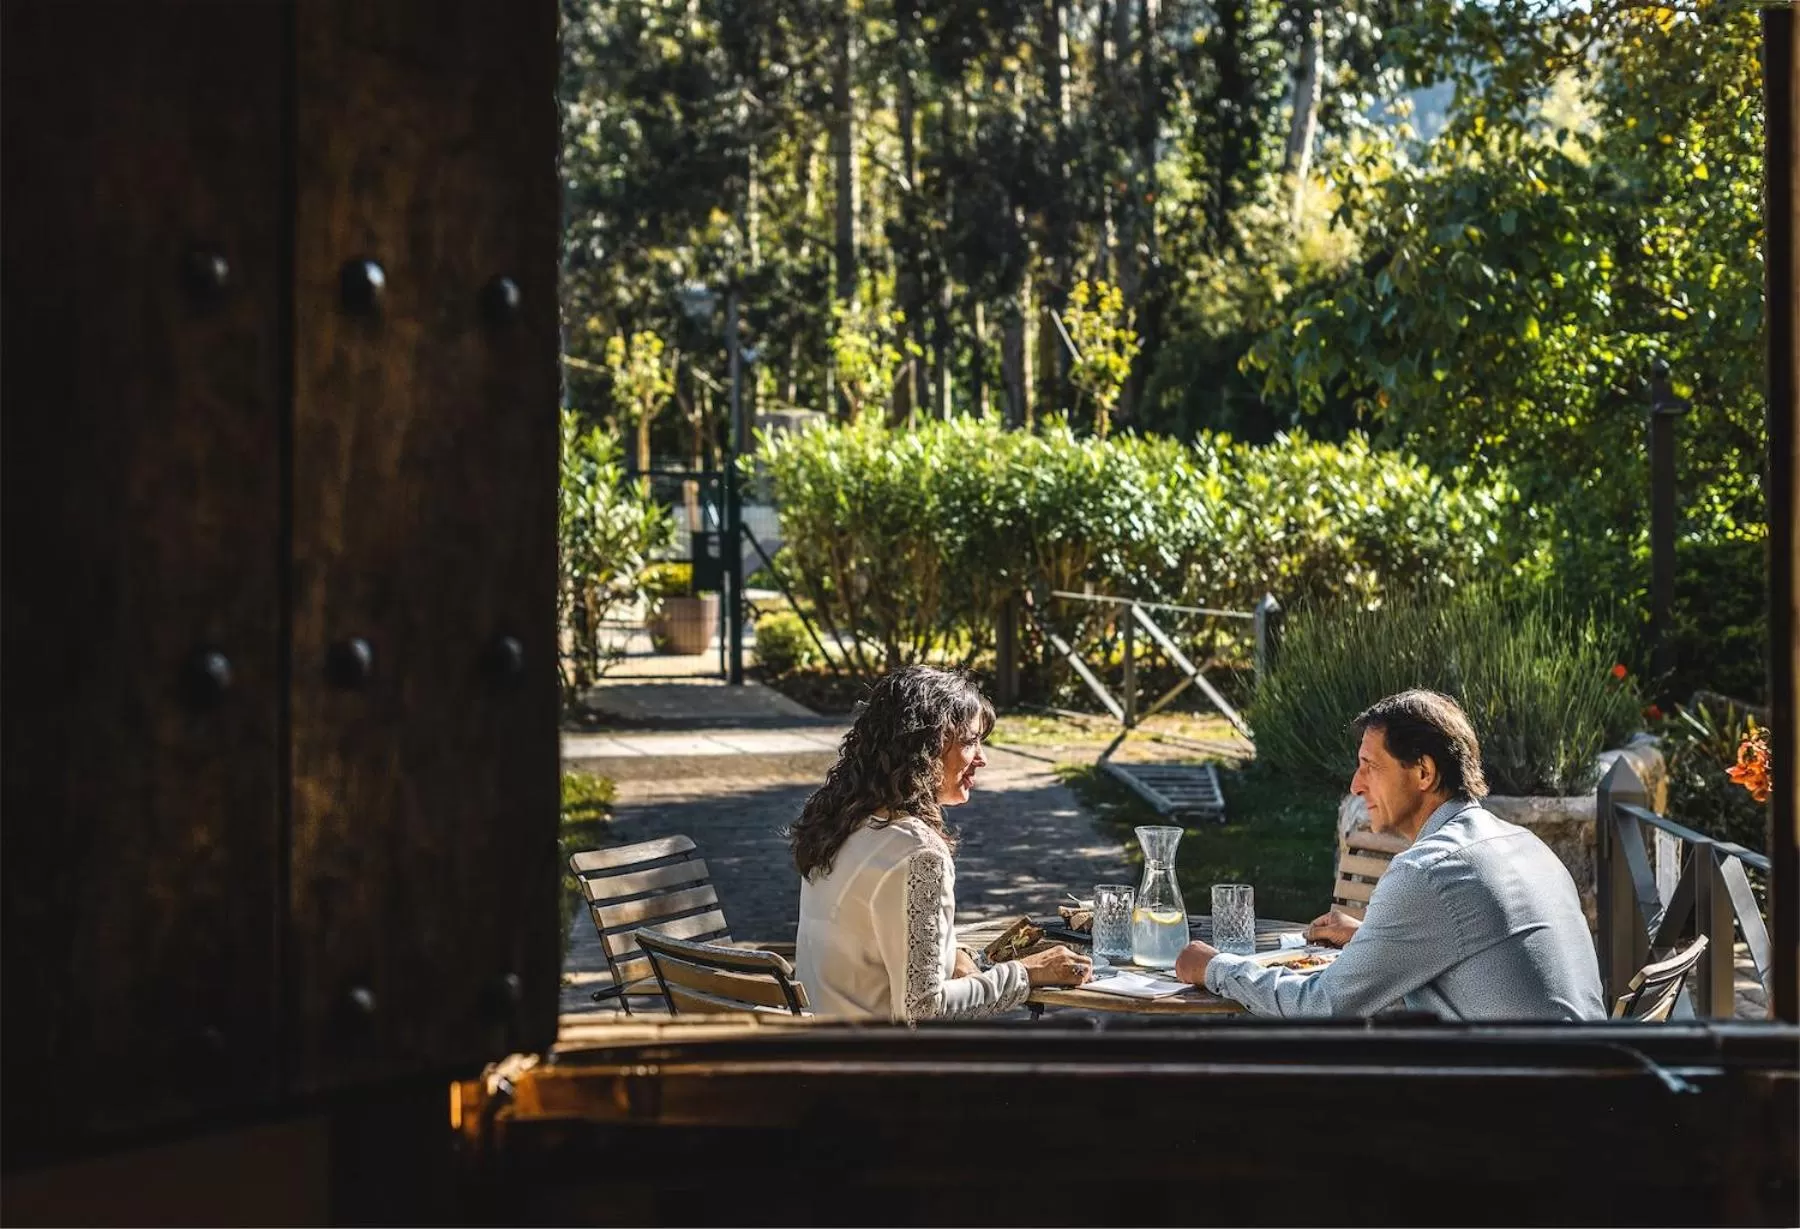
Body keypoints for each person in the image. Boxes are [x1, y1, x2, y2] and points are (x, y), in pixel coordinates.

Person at [1174, 689, 1607, 1021]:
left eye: (1370, 766)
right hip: (1583, 1090)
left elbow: (1324, 1006)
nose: (1356, 785)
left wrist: (1214, 968)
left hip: (1522, 1119)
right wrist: (1369, 936)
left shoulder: (1430, 872)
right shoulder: (1525, 845)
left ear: (1423, 772)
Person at [791, 665, 1091, 1020]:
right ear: (924, 747)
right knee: (1087, 1028)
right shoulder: (916, 852)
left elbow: (874, 955)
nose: (982, 758)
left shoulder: (843, 823)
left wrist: (951, 955)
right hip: (878, 1066)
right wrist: (1027, 973)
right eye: (969, 741)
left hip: (819, 1051)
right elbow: (924, 1009)